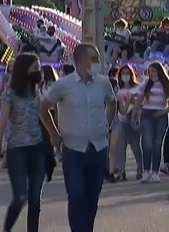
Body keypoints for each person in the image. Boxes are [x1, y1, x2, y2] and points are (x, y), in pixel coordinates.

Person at [40, 43, 116, 232]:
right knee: (76, 194)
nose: (98, 63)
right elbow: (42, 108)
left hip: (98, 147)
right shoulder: (63, 85)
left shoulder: (103, 83)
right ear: (81, 61)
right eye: (94, 59)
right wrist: (53, 134)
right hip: (73, 149)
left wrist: (106, 124)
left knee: (92, 196)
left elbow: (112, 103)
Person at [0, 53, 56, 232]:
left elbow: (43, 113)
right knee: (20, 196)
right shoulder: (10, 94)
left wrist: (55, 135)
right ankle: (6, 229)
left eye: (38, 68)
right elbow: (1, 125)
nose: (38, 72)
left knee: (35, 198)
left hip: (37, 149)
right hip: (17, 150)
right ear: (24, 70)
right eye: (34, 68)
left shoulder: (35, 91)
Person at [131, 61, 169, 183]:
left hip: (161, 115)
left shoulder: (166, 84)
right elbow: (139, 101)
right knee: (147, 143)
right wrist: (134, 116)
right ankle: (146, 171)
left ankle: (155, 172)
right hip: (147, 114)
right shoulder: (145, 84)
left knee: (157, 144)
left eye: (153, 71)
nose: (151, 74)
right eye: (149, 71)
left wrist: (162, 112)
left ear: (159, 71)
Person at [115, 65, 143, 180]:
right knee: (121, 147)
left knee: (135, 145)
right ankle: (121, 171)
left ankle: (141, 168)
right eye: (123, 73)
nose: (125, 75)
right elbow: (120, 107)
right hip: (121, 120)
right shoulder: (118, 89)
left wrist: (134, 101)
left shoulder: (138, 87)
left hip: (134, 120)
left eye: (127, 73)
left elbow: (142, 103)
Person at [0, 58, 15, 169]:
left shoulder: (20, 77)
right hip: (7, 107)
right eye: (10, 65)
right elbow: (1, 90)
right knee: (6, 132)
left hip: (16, 109)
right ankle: (5, 158)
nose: (11, 67)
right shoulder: (6, 77)